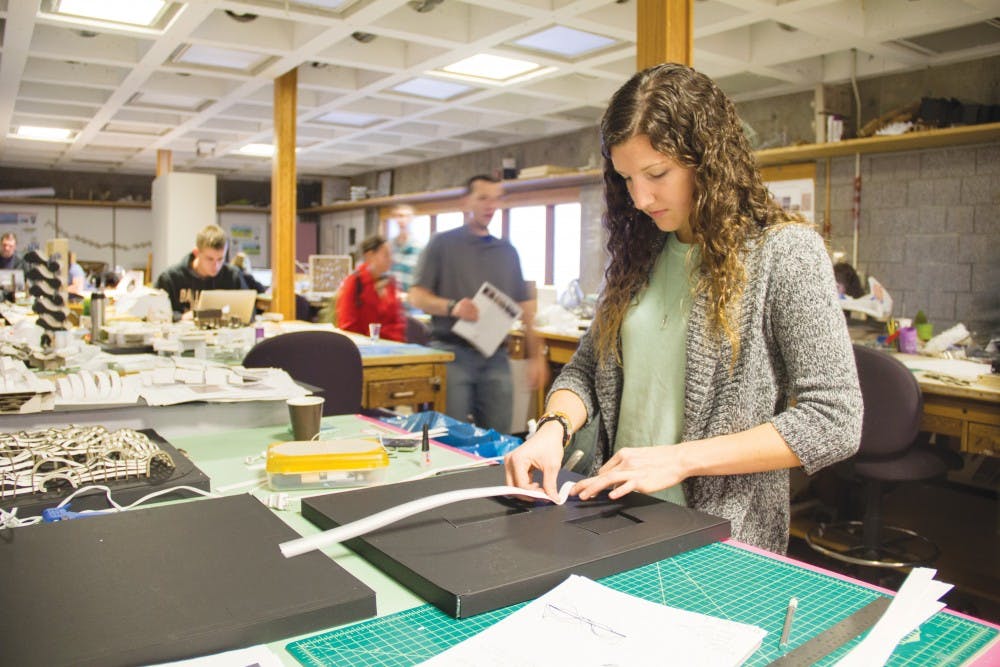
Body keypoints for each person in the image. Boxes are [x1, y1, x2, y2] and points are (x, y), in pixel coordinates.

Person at [504, 63, 862, 555]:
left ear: (708, 160)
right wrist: (553, 428)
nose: (641, 197)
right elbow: (587, 370)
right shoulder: (641, 254)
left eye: (657, 174)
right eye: (627, 178)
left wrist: (680, 460)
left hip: (720, 536)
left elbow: (835, 420)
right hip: (614, 516)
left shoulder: (785, 254)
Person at [409, 175, 549, 433]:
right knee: (451, 436)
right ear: (466, 202)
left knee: (498, 438)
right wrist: (452, 307)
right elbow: (416, 296)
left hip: (495, 357)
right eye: (483, 198)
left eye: (496, 199)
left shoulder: (507, 250)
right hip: (451, 354)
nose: (490, 205)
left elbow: (527, 309)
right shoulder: (442, 244)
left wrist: (536, 357)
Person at [154, 224, 247, 321]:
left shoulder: (233, 276)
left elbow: (248, 311)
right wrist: (181, 317)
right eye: (209, 259)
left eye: (220, 259)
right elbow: (155, 314)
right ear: (196, 253)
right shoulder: (170, 278)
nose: (216, 265)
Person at [335, 234, 405, 342]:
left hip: (391, 348)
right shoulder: (354, 283)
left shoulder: (391, 284)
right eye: (386, 255)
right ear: (370, 256)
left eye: (391, 255)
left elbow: (398, 324)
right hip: (362, 349)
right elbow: (347, 326)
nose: (391, 260)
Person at [386, 204, 422, 295]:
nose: (402, 220)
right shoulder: (388, 247)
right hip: (391, 301)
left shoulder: (420, 247)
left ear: (412, 218)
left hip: (412, 303)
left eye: (407, 216)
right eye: (399, 216)